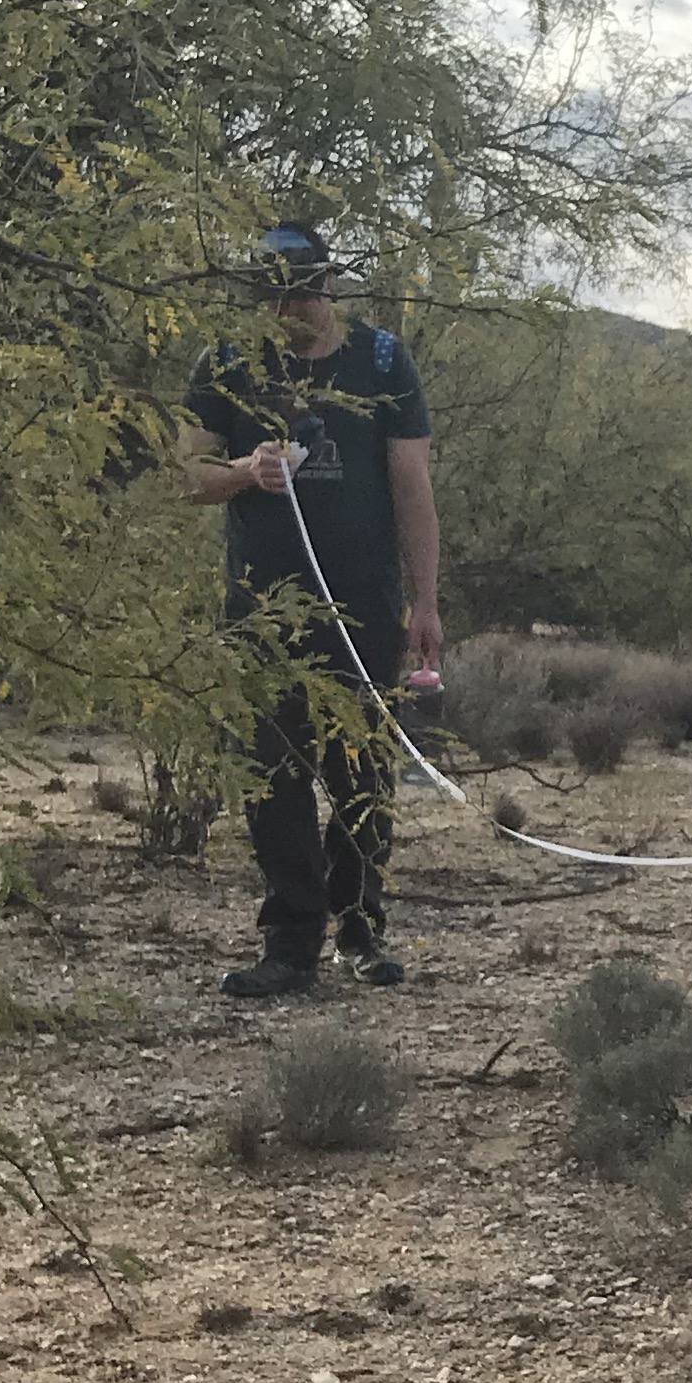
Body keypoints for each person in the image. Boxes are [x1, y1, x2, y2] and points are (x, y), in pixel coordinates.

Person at [179, 220, 443, 999]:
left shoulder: (384, 362)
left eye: (305, 290)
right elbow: (186, 475)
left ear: (330, 284)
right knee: (272, 774)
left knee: (363, 772)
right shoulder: (226, 362)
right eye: (276, 294)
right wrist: (241, 469)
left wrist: (425, 600)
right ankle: (290, 939)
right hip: (261, 611)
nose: (294, 308)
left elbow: (412, 488)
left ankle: (360, 928)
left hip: (363, 608)